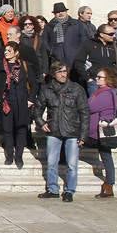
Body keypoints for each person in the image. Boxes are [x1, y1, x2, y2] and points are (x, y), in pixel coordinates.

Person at [34, 61, 89, 202]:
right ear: (54, 74)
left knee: (72, 164)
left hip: (72, 131)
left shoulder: (77, 89)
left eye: (65, 71)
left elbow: (84, 113)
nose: (64, 74)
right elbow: (37, 109)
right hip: (54, 130)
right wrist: (41, 122)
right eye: (60, 72)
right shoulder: (47, 89)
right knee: (52, 162)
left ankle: (69, 190)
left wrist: (83, 135)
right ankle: (52, 189)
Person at [0, 41, 39, 169]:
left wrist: (31, 99)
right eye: (5, 50)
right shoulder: (0, 66)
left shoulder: (24, 66)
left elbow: (34, 84)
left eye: (9, 51)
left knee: (21, 129)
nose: (6, 53)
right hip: (6, 102)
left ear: (16, 53)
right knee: (7, 130)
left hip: (22, 101)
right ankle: (9, 156)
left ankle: (19, 157)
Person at [86, 66, 117, 198]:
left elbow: (89, 107)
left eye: (100, 77)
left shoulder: (105, 93)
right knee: (106, 156)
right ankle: (109, 186)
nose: (97, 78)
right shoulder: (102, 91)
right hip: (97, 132)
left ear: (108, 79)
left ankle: (109, 185)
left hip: (100, 132)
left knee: (106, 157)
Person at [73, 24, 117, 96]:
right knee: (96, 106)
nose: (114, 36)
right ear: (101, 34)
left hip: (111, 81)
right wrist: (88, 78)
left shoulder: (114, 46)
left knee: (111, 105)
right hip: (95, 82)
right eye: (111, 34)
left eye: (114, 33)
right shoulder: (88, 44)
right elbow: (79, 62)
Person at [43, 2, 83, 76]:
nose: (60, 13)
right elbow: (45, 41)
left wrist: (78, 53)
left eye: (62, 11)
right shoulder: (49, 26)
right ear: (54, 14)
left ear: (66, 12)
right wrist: (52, 51)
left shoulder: (76, 24)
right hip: (57, 58)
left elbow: (83, 40)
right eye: (57, 12)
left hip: (74, 58)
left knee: (75, 80)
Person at [18, 15, 49, 79]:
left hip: (38, 70)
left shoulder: (39, 38)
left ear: (34, 25)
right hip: (24, 70)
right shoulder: (19, 38)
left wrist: (45, 72)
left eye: (30, 24)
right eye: (25, 24)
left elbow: (44, 56)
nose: (27, 25)